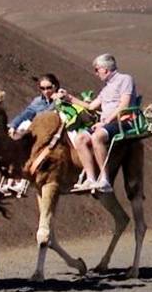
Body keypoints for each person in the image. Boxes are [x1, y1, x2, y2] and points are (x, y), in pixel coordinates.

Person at [55, 54, 137, 193]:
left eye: (97, 69)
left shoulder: (125, 79)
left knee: (97, 137)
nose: (96, 73)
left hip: (122, 121)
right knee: (80, 138)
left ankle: (104, 180)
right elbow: (92, 106)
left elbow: (124, 105)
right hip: (106, 124)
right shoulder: (106, 88)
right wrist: (69, 98)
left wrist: (104, 121)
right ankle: (90, 179)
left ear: (105, 69)